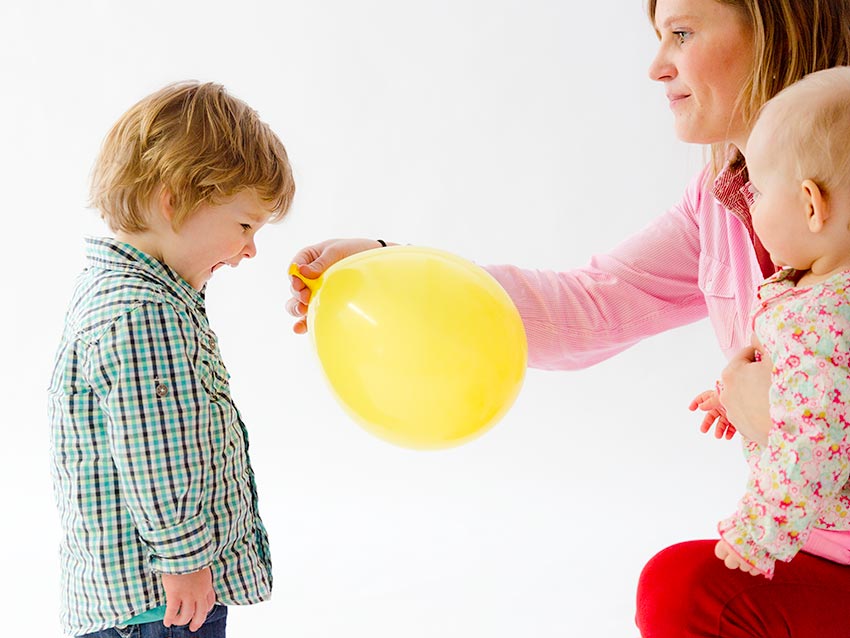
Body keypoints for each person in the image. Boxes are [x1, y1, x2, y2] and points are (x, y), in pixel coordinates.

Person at [286, 1, 850, 636]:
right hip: (810, 549)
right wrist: (395, 268)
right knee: (681, 590)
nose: (658, 67)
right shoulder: (717, 202)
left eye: (683, 34)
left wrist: (772, 414)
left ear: (775, 31)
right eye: (659, 36)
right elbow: (595, 301)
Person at [48, 81, 295, 638]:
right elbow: (153, 449)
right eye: (244, 225)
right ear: (175, 198)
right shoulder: (143, 314)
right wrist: (183, 561)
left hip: (143, 599)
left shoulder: (122, 293)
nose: (251, 249)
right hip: (162, 602)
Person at [692, 65, 850, 579]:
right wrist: (737, 396)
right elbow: (805, 389)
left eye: (758, 191)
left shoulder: (824, 318)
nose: (749, 205)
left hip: (824, 530)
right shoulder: (810, 288)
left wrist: (760, 530)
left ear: (810, 204)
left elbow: (812, 438)